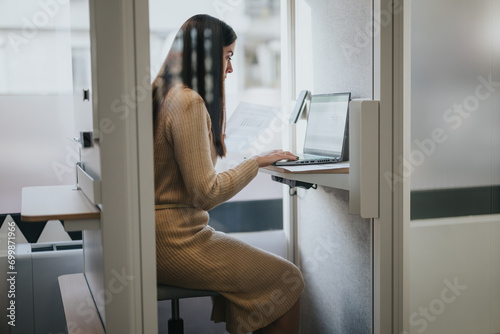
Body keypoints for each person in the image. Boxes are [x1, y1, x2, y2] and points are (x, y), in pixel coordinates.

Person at [152, 14, 304, 334]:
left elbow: (178, 178)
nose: (231, 68)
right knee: (287, 281)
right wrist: (257, 162)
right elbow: (205, 194)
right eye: (228, 56)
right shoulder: (188, 102)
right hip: (175, 240)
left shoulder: (160, 91)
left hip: (156, 235)